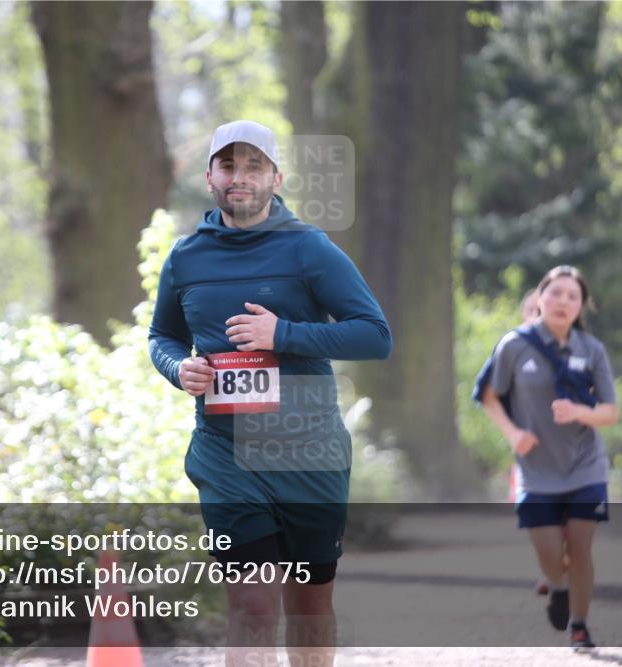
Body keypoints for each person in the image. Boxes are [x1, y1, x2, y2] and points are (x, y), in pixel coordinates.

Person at [148, 120, 392, 666]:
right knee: (253, 606)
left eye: (253, 166)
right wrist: (177, 367)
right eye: (228, 165)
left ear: (275, 179)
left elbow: (375, 336)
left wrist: (283, 334)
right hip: (225, 453)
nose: (240, 177)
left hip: (309, 453)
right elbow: (162, 335)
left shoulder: (309, 248)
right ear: (210, 177)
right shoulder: (186, 258)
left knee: (309, 606)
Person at [474, 266, 619, 651]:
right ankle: (558, 585)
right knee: (550, 554)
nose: (562, 301)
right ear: (540, 298)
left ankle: (580, 625)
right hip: (536, 470)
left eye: (572, 296)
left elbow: (610, 411)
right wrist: (513, 434)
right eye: (555, 293)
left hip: (586, 465)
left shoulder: (592, 349)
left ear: (581, 306)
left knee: (581, 547)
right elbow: (488, 395)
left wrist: (580, 412)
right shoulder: (514, 345)